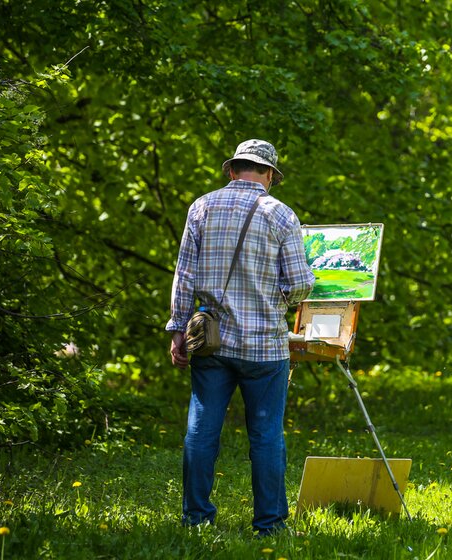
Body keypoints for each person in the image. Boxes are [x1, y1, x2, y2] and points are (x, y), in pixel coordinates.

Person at [165, 139, 315, 536]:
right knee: (266, 434)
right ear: (269, 175)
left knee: (200, 430)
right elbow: (300, 284)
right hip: (264, 346)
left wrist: (178, 329)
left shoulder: (201, 207)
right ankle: (269, 525)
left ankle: (195, 519)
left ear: (233, 169)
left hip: (210, 341)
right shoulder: (281, 215)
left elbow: (184, 277)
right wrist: (277, 297)